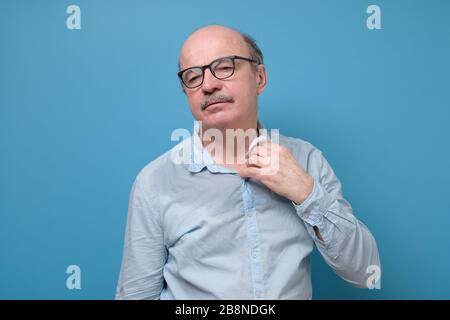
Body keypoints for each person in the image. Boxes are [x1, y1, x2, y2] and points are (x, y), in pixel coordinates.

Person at [115, 25, 380, 299]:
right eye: (193, 76)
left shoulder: (307, 160)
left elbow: (365, 272)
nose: (208, 85)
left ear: (260, 77)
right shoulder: (155, 182)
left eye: (225, 66)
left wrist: (306, 193)